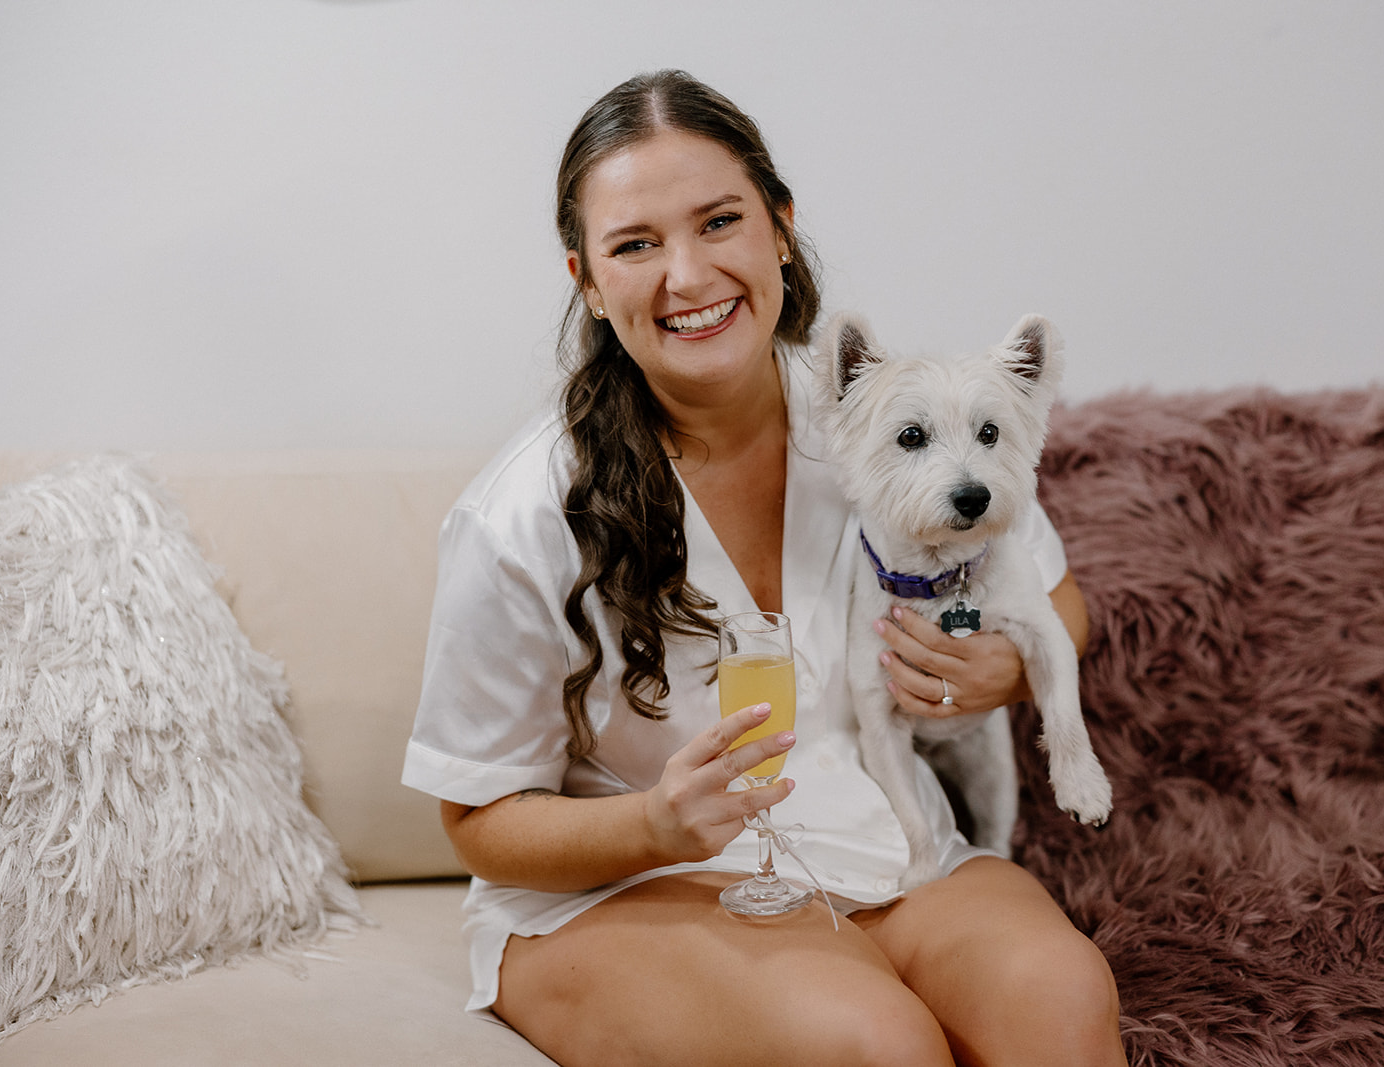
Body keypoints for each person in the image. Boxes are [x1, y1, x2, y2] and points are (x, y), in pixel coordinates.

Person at [402, 69, 1127, 1067]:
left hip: (876, 837)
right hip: (631, 888)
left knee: (1061, 991)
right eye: (636, 244)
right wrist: (654, 824)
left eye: (718, 221)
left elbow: (1051, 602)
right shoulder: (519, 512)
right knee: (875, 1041)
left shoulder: (889, 415)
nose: (689, 275)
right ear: (586, 279)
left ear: (779, 225)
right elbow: (476, 818)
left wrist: (990, 660)